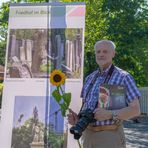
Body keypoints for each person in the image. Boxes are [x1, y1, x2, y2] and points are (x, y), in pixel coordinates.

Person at [67, 40, 141, 148]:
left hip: (110, 136)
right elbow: (87, 107)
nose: (101, 54)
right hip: (87, 137)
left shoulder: (123, 77)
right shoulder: (89, 78)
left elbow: (135, 110)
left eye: (105, 51)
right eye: (98, 52)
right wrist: (78, 120)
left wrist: (110, 114)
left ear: (113, 54)